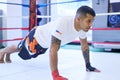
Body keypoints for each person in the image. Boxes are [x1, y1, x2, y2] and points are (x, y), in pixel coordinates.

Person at [0, 6, 100, 80]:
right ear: (78, 19)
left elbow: (84, 46)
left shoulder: (83, 28)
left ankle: (7, 53)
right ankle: (3, 52)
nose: (91, 25)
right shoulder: (64, 23)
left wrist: (88, 65)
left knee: (25, 52)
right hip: (36, 37)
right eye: (89, 21)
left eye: (92, 21)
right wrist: (55, 75)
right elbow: (53, 49)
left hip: (44, 44)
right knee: (20, 48)